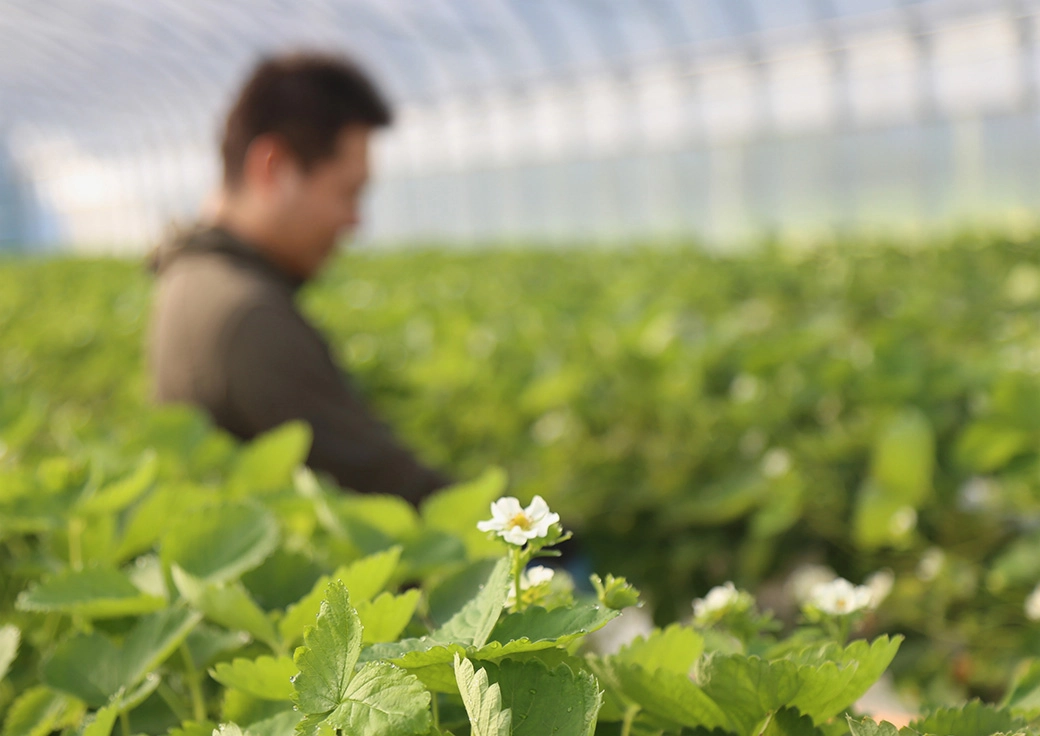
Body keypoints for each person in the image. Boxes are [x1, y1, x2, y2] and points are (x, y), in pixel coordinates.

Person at [148, 52, 450, 505]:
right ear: (273, 167)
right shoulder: (248, 315)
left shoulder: (195, 276)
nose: (354, 221)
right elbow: (379, 482)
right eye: (348, 192)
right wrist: (545, 540)